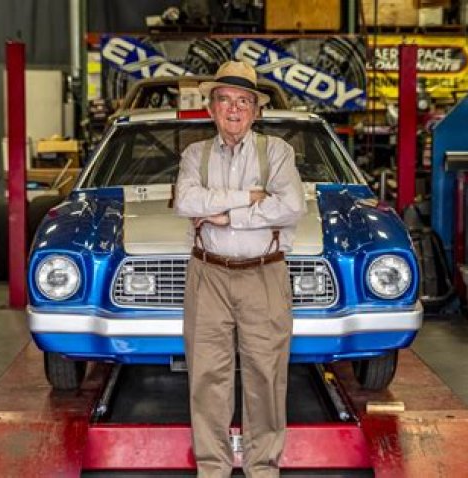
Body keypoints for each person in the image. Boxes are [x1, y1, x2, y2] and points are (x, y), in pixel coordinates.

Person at [174, 61, 306, 477]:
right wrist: (249, 197)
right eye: (225, 100)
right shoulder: (195, 154)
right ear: (211, 107)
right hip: (207, 275)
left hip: (264, 275)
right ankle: (212, 469)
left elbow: (291, 206)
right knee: (206, 376)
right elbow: (185, 202)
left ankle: (262, 468)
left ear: (256, 109)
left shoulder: (278, 152)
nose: (234, 109)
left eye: (243, 101)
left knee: (265, 375)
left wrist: (227, 216)